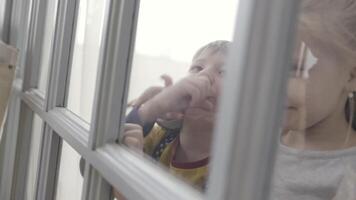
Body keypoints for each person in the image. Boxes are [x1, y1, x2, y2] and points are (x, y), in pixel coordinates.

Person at [114, 40, 230, 198]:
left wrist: (134, 172)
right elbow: (90, 164)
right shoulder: (158, 137)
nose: (203, 75)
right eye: (197, 68)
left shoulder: (233, 176)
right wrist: (150, 109)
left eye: (224, 72)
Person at [272, 0, 356, 199]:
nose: (272, 85)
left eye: (295, 68)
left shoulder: (349, 176)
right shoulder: (256, 140)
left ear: (351, 76)